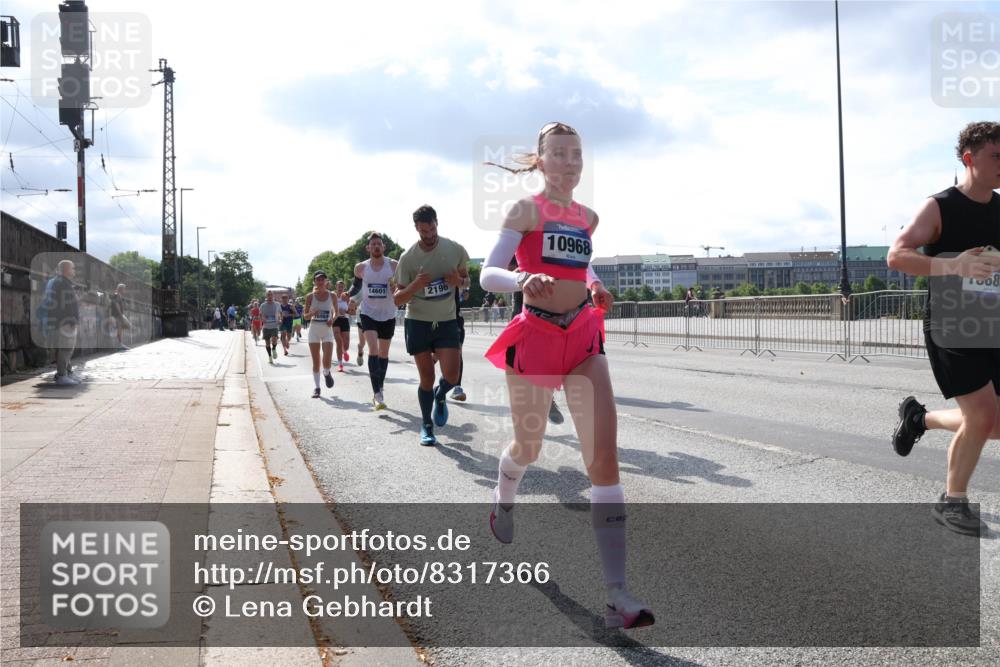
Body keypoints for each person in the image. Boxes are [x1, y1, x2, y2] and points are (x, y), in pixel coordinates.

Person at [480, 121, 653, 629]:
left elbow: (582, 267)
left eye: (576, 154)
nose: (570, 163)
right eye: (558, 154)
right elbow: (492, 271)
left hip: (581, 338)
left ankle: (617, 593)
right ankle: (503, 496)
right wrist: (520, 277)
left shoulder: (588, 217)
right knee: (527, 448)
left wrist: (596, 285)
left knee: (603, 457)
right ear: (541, 160)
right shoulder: (524, 209)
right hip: (534, 336)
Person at [888, 121, 1000, 536]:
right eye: (997, 156)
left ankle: (920, 420)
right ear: (970, 159)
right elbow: (897, 256)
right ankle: (953, 502)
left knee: (994, 424)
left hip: (993, 322)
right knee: (983, 415)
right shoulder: (939, 207)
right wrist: (954, 265)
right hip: (952, 323)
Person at [393, 206, 470, 445]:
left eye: (432, 228)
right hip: (418, 322)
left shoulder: (454, 249)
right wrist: (415, 286)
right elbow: (397, 299)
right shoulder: (408, 259)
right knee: (426, 378)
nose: (429, 234)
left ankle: (441, 394)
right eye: (423, 230)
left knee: (452, 374)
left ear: (437, 223)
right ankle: (426, 425)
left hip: (446, 319)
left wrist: (458, 281)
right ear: (416, 228)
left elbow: (466, 281)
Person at [350, 233, 400, 410]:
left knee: (384, 354)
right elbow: (356, 287)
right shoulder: (361, 268)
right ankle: (377, 394)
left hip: (388, 314)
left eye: (379, 244)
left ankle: (380, 386)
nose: (377, 246)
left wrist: (398, 288)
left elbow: (402, 285)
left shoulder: (394, 265)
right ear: (368, 248)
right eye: (373, 244)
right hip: (368, 313)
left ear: (383, 247)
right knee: (373, 349)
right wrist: (350, 297)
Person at [39, 259, 81, 385]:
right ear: (66, 270)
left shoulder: (61, 282)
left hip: (64, 321)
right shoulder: (61, 283)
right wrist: (71, 319)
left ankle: (66, 373)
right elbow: (65, 304)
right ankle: (62, 376)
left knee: (67, 349)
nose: (74, 270)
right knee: (65, 349)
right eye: (72, 268)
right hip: (65, 322)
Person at [303, 271, 337, 398]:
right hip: (314, 330)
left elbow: (336, 312)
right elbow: (305, 316)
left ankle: (327, 373)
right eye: (318, 280)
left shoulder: (332, 295)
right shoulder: (310, 297)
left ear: (326, 281)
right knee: (316, 360)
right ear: (314, 282)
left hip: (327, 329)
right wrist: (312, 313)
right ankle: (317, 388)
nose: (320, 282)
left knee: (327, 359)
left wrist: (332, 319)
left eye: (322, 279)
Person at [259, 292, 282, 363]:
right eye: (268, 295)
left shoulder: (277, 304)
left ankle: (274, 349)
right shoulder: (263, 305)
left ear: (273, 296)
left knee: (274, 339)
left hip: (274, 325)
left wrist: (280, 319)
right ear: (266, 296)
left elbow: (280, 313)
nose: (270, 296)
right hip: (266, 326)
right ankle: (269, 357)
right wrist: (262, 319)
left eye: (271, 295)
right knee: (267, 343)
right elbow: (260, 315)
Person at [109, 283, 130, 350]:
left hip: (118, 315)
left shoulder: (118, 295)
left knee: (122, 328)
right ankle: (120, 344)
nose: (124, 290)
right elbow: (116, 304)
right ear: (120, 289)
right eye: (124, 289)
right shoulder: (116, 295)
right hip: (117, 315)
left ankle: (119, 344)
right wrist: (120, 315)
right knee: (120, 328)